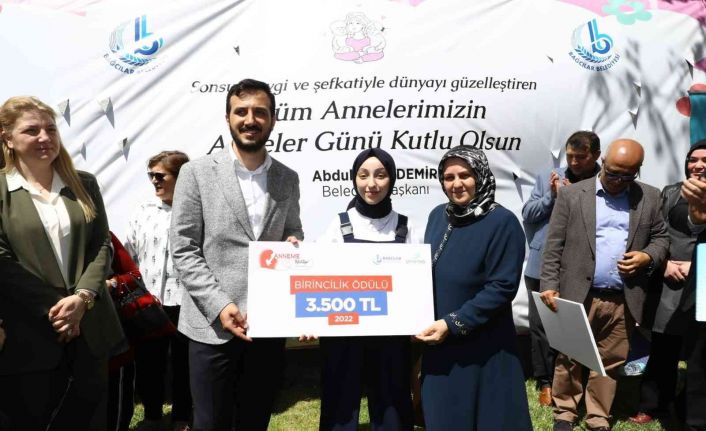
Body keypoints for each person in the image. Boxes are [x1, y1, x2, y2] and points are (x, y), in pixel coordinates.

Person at [170, 78, 303, 431]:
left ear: (273, 119)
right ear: (228, 118)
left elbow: (294, 231)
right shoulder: (196, 173)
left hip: (267, 326)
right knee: (210, 424)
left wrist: (293, 245)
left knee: (254, 421)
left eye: (260, 112)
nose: (250, 119)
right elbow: (183, 248)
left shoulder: (288, 178)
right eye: (241, 111)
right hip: (211, 326)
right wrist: (220, 304)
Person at [0, 96, 123, 430]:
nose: (45, 137)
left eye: (51, 129)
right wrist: (59, 309)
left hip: (90, 328)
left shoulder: (84, 183)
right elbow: (2, 261)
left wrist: (82, 298)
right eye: (32, 130)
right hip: (28, 335)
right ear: (7, 138)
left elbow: (101, 245)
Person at [539, 139, 669, 431]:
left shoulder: (649, 196)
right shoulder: (572, 194)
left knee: (610, 359)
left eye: (627, 176)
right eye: (612, 173)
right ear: (604, 162)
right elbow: (554, 244)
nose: (618, 181)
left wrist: (647, 256)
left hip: (624, 297)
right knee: (570, 355)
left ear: (638, 170)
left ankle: (598, 416)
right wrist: (549, 283)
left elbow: (662, 238)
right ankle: (565, 413)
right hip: (577, 293)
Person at [416, 146, 532, 431]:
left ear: (480, 176)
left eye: (465, 175)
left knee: (487, 419)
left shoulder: (502, 222)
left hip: (484, 347)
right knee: (444, 418)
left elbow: (502, 287)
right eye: (449, 177)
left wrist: (453, 323)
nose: (456, 184)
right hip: (440, 345)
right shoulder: (437, 216)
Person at [316, 147, 417, 431]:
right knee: (339, 406)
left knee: (392, 407)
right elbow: (318, 278)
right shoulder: (339, 224)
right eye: (363, 175)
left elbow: (416, 282)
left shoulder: (406, 226)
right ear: (354, 179)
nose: (371, 183)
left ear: (392, 179)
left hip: (391, 336)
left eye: (380, 175)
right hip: (343, 335)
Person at [629, 141, 706, 424]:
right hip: (672, 280)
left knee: (700, 353)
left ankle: (687, 408)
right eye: (693, 160)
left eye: (705, 160)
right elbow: (656, 233)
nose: (698, 165)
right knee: (664, 347)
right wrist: (664, 264)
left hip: (702, 280)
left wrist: (696, 265)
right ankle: (653, 405)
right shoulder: (671, 192)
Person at [523, 130, 601, 406]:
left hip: (580, 267)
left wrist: (571, 197)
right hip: (541, 265)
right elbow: (528, 214)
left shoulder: (603, 182)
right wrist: (552, 196)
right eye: (570, 156)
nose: (574, 162)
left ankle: (574, 380)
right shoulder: (549, 176)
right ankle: (545, 381)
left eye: (581, 157)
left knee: (577, 326)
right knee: (541, 326)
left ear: (596, 155)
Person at [125, 150, 192, 431]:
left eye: (160, 175)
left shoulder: (196, 209)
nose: (154, 181)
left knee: (184, 362)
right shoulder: (143, 211)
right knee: (148, 361)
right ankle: (152, 415)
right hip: (149, 301)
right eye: (150, 175)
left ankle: (182, 417)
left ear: (181, 177)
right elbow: (129, 252)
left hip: (187, 301)